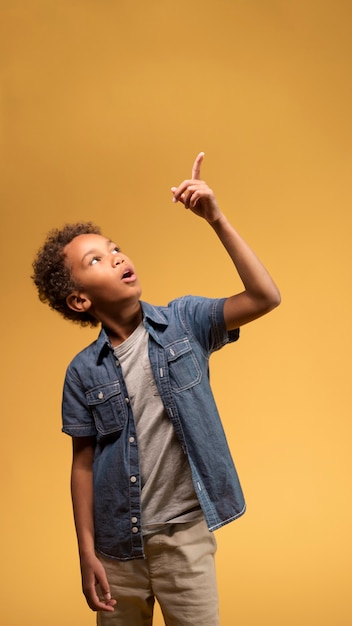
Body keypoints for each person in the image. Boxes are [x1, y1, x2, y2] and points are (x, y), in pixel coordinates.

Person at [32, 152, 281, 626]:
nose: (118, 256)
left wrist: (217, 219)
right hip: (116, 551)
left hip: (183, 540)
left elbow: (264, 296)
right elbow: (82, 463)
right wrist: (87, 552)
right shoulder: (82, 371)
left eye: (115, 247)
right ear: (80, 298)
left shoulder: (185, 323)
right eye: (97, 259)